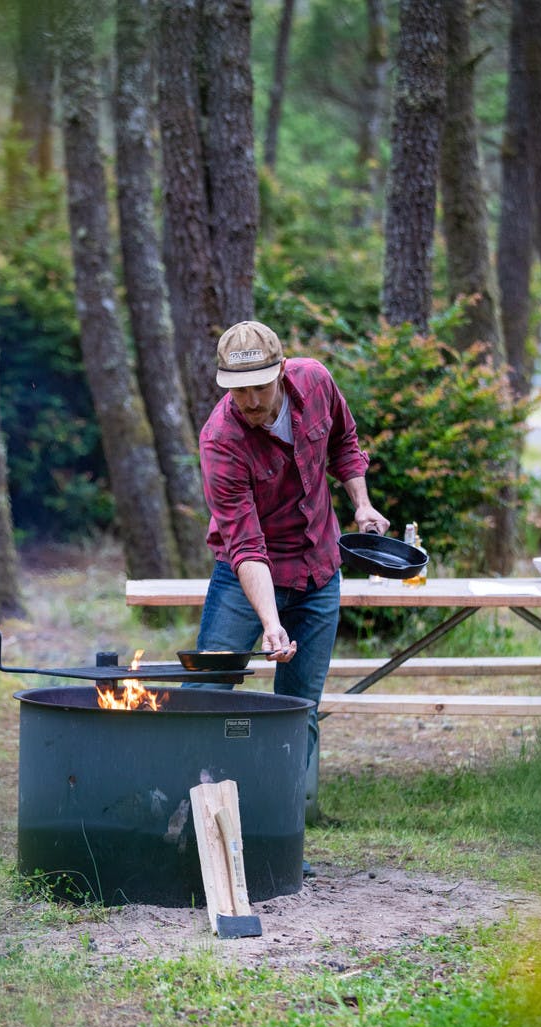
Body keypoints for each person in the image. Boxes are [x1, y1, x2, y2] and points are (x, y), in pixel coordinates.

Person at [195, 320, 390, 820]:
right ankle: (187, 813)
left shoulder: (315, 382)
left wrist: (361, 505)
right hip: (248, 578)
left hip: (320, 569)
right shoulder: (221, 441)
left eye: (260, 385)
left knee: (300, 707)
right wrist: (270, 621)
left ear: (282, 371)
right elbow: (245, 543)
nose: (250, 400)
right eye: (238, 390)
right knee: (206, 694)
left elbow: (345, 443)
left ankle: (288, 821)